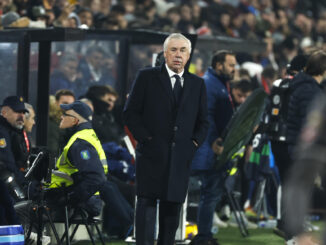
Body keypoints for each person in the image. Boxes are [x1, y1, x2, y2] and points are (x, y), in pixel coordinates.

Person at [123, 33, 208, 245]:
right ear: (165, 53)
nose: (178, 55)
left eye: (182, 51)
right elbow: (130, 113)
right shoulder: (146, 77)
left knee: (172, 211)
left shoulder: (197, 84)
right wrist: (147, 140)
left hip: (180, 157)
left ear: (188, 55)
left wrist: (192, 145)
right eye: (173, 50)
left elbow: (204, 122)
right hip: (151, 154)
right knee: (147, 205)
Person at [190, 50, 237, 245]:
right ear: (219, 65)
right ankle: (203, 236)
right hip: (209, 148)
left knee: (210, 194)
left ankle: (205, 235)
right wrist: (216, 142)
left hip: (208, 147)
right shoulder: (212, 85)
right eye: (231, 65)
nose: (234, 70)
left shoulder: (215, 83)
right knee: (209, 194)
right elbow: (211, 119)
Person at [281, 50, 326, 243]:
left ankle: (295, 232)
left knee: (299, 188)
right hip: (308, 148)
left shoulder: (303, 85)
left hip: (299, 145)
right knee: (300, 188)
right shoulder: (311, 90)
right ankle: (295, 235)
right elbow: (311, 124)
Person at [47, 100, 106, 216]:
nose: (61, 117)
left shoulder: (80, 143)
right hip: (82, 198)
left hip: (73, 203)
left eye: (65, 114)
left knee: (23, 209)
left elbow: (96, 178)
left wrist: (70, 198)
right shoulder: (85, 135)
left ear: (75, 120)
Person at [0, 96, 29, 197]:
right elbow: (8, 164)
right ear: (4, 112)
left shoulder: (15, 131)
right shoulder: (2, 132)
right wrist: (27, 184)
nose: (21, 116)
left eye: (23, 113)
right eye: (17, 112)